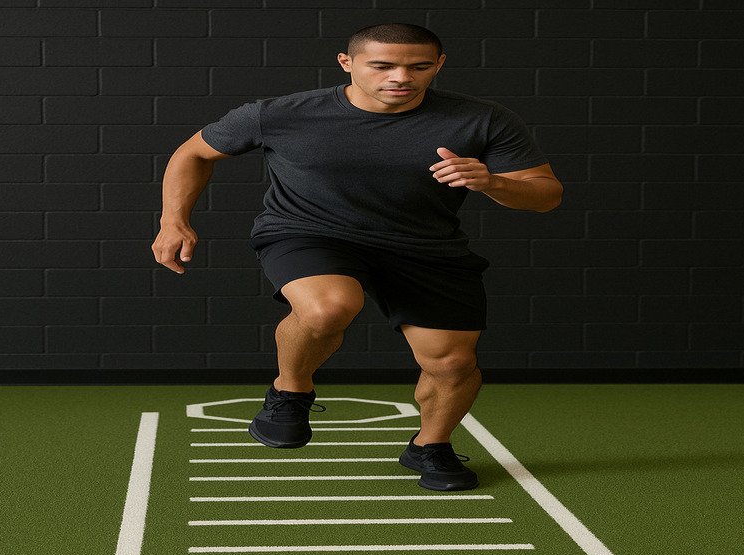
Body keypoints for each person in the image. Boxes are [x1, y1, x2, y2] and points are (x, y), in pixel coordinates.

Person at [151, 23, 563, 491]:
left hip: (424, 246)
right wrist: (174, 220)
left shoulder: (482, 120)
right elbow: (193, 153)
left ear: (439, 65)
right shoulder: (280, 114)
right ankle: (291, 389)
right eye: (383, 65)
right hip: (309, 232)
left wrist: (493, 182)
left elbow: (545, 196)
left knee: (451, 364)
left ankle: (430, 446)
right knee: (329, 307)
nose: (401, 77)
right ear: (347, 64)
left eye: (418, 66)